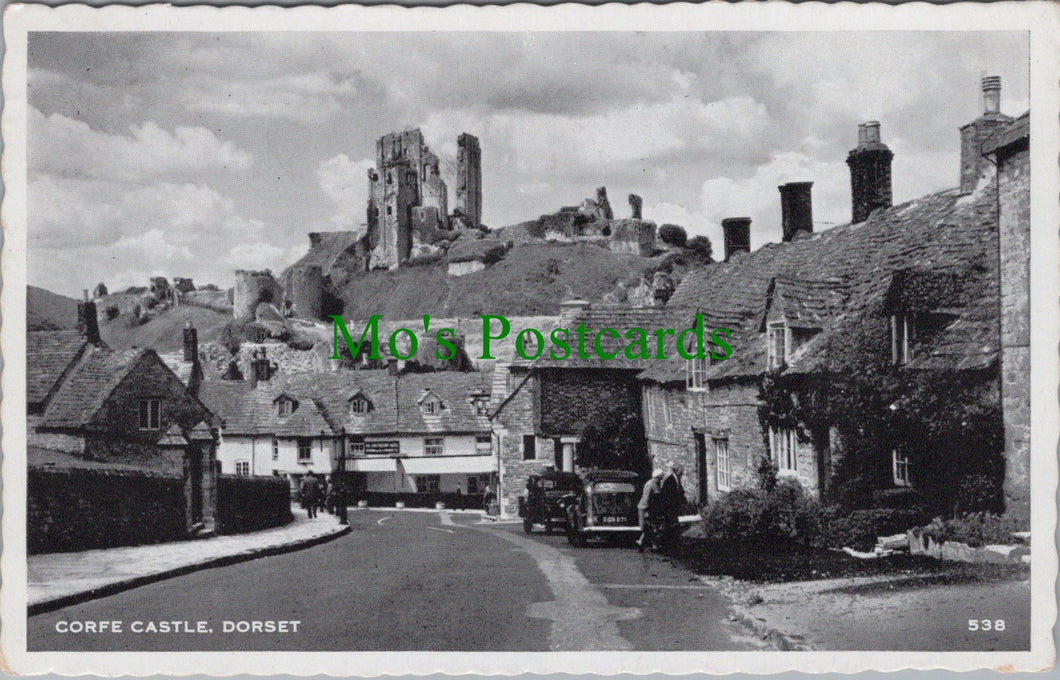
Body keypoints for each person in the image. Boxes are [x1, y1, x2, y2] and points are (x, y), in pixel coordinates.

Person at [636, 468, 665, 552]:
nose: (661, 480)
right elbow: (646, 498)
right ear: (657, 477)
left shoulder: (654, 484)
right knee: (648, 526)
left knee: (649, 527)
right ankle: (651, 544)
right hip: (645, 508)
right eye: (660, 478)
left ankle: (642, 543)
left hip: (648, 508)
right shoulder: (650, 484)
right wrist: (646, 510)